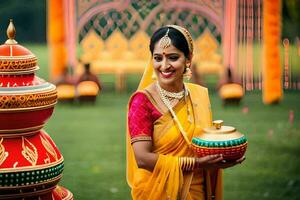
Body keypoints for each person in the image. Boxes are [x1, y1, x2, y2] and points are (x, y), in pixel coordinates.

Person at [126, 25, 245, 200]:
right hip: (159, 192)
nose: (164, 66)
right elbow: (142, 158)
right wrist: (196, 164)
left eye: (173, 58)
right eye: (157, 58)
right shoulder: (142, 101)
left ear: (188, 59)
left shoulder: (199, 96)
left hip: (199, 191)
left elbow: (204, 146)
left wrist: (221, 158)